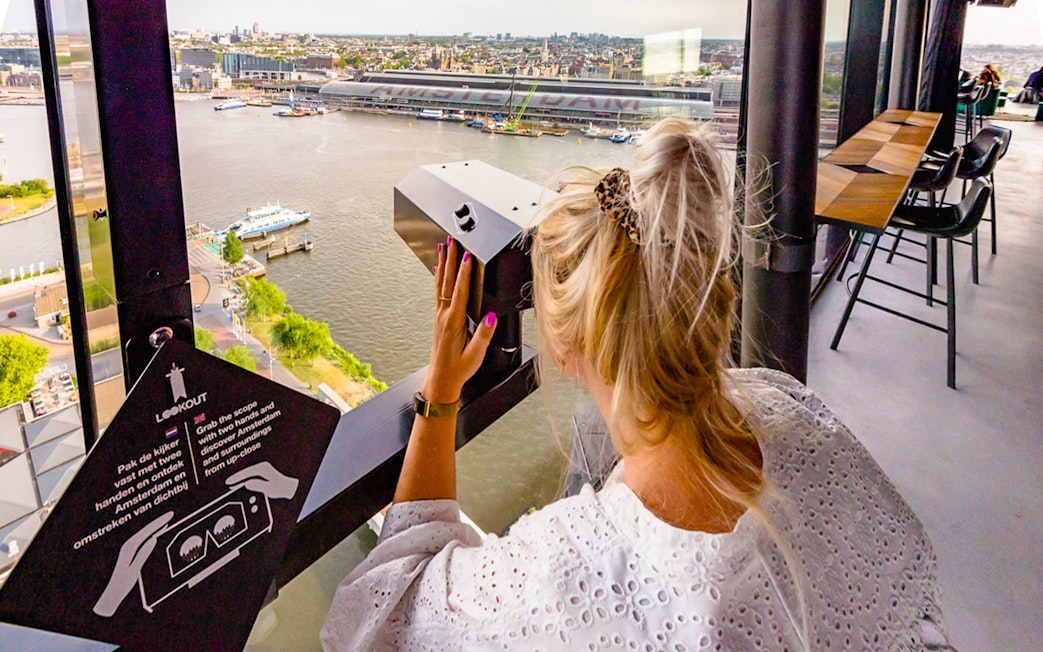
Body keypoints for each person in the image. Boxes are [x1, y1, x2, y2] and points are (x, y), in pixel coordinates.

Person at [322, 118, 953, 650]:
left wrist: (438, 396)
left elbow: (381, 616)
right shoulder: (793, 410)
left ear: (565, 349)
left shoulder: (570, 573)